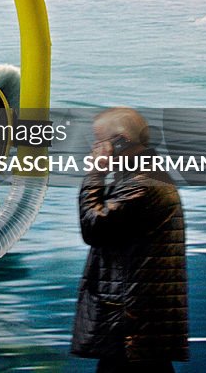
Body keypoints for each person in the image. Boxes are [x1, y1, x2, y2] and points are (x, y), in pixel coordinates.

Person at [71, 107, 189, 372]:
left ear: (121, 141)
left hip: (131, 326)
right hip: (137, 324)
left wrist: (94, 175)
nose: (94, 149)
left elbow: (94, 227)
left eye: (99, 141)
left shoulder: (141, 185)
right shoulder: (141, 177)